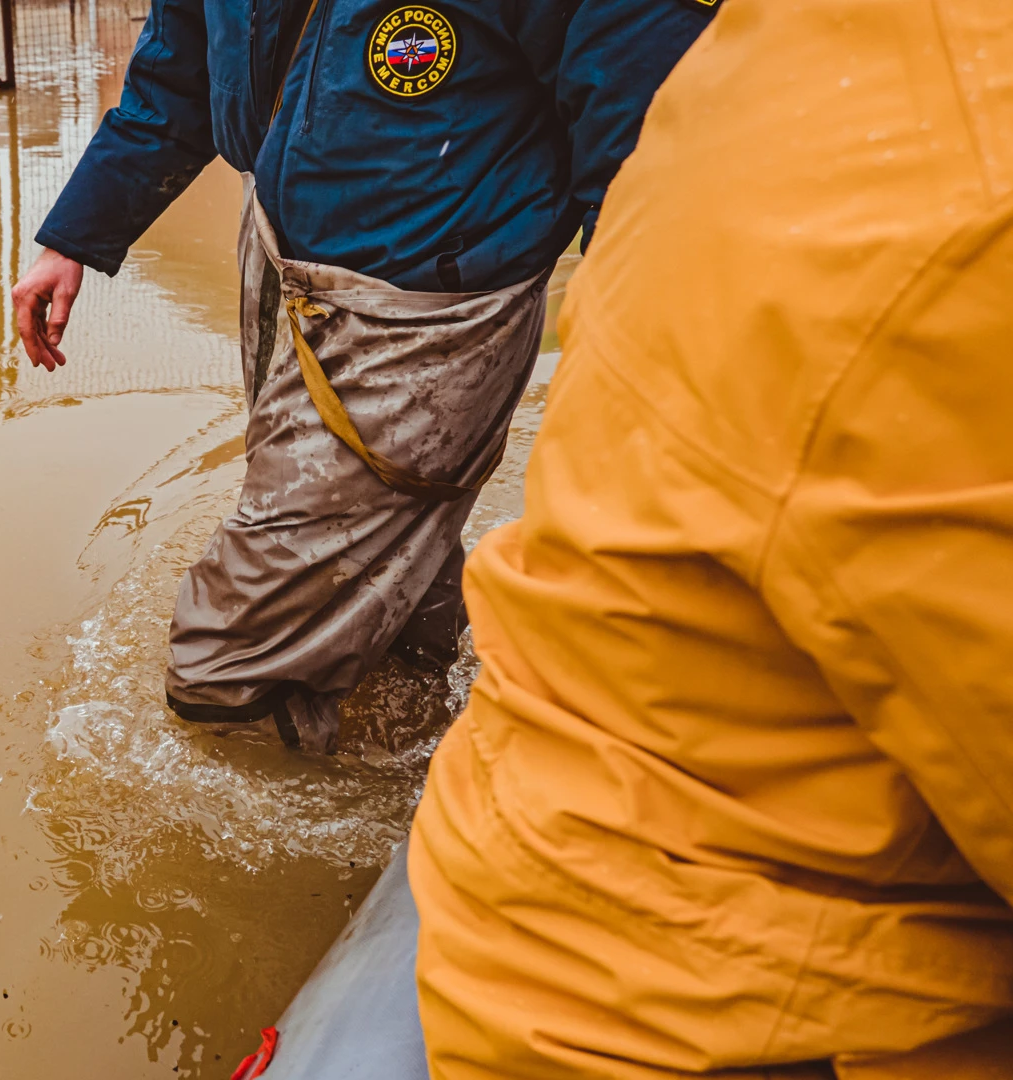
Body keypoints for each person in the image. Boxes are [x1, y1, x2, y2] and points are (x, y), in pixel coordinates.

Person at [396, 0, 1013, 1074]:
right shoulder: (956, 181)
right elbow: (179, 92)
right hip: (693, 997)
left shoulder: (776, 54)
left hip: (437, 304)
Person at [13, 0, 715, 752]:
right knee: (387, 568)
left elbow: (649, 135)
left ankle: (330, 859)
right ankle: (428, 756)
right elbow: (179, 74)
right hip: (283, 250)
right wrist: (77, 234)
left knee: (228, 665)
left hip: (426, 302)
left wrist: (643, 363)